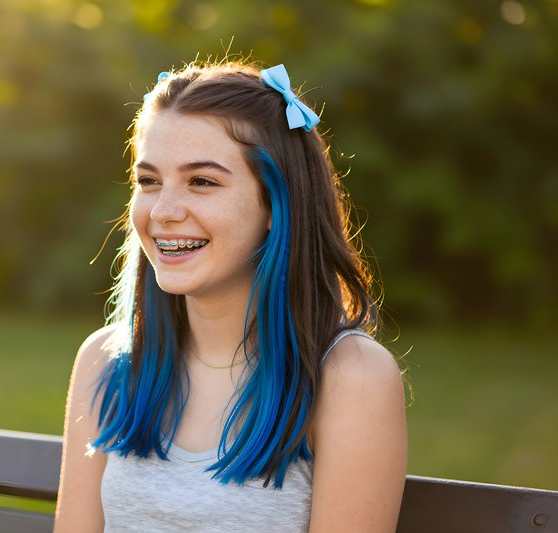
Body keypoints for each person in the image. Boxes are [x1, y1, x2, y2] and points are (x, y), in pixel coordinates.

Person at [55, 59, 407, 532]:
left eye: (202, 181)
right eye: (149, 180)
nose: (163, 210)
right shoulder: (106, 359)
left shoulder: (350, 377)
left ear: (276, 204)